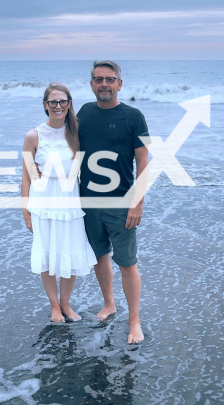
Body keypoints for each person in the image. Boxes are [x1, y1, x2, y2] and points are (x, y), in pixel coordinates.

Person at [77, 60, 150, 344]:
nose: (104, 84)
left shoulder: (133, 116)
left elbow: (144, 160)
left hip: (121, 201)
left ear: (120, 84)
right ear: (92, 83)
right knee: (99, 255)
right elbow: (67, 147)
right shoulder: (83, 112)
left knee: (127, 262)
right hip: (87, 200)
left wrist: (137, 202)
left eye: (110, 79)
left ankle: (135, 321)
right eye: (98, 79)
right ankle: (109, 303)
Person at [22, 83, 98, 323]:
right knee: (46, 254)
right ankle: (54, 306)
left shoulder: (76, 133)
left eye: (62, 101)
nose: (58, 106)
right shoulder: (33, 135)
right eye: (53, 102)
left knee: (70, 252)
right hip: (43, 201)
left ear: (69, 104)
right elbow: (26, 175)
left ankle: (66, 304)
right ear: (45, 105)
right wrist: (25, 212)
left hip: (70, 201)